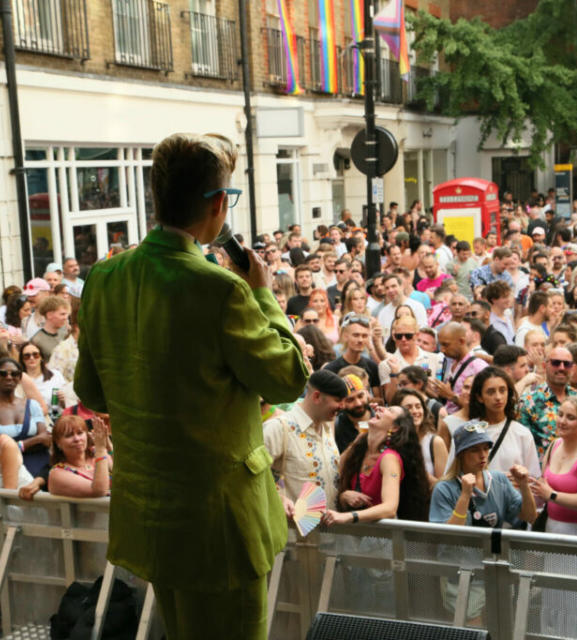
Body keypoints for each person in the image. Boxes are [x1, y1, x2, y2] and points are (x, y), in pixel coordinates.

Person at [74, 133, 308, 639]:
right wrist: (264, 294)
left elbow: (92, 393)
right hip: (222, 525)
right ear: (219, 203)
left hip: (152, 519)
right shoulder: (220, 287)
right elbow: (290, 377)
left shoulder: (105, 277)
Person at [323, 405, 430, 525]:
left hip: (380, 537)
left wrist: (349, 516)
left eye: (389, 410)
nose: (379, 409)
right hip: (355, 536)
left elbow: (390, 508)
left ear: (395, 427)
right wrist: (344, 497)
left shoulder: (389, 458)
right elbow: (333, 473)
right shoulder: (359, 449)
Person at [264, 370, 347, 511]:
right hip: (290, 530)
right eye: (338, 400)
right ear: (316, 396)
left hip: (328, 530)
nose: (343, 406)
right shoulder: (278, 428)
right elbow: (251, 477)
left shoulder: (327, 426)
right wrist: (278, 498)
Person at [430, 420, 536, 528]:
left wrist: (524, 486)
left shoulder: (498, 480)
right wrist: (465, 496)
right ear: (461, 454)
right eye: (474, 450)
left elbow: (530, 517)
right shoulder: (443, 489)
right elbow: (446, 535)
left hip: (492, 545)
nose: (482, 455)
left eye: (486, 448)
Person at [529, 397, 577, 536]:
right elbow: (543, 487)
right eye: (560, 414)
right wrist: (525, 483)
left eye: (570, 417)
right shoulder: (554, 445)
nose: (562, 421)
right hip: (551, 525)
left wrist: (552, 495)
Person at [461, 367, 540, 477]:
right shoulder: (467, 431)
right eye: (490, 392)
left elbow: (533, 476)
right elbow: (454, 475)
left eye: (502, 390)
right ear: (480, 397)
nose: (498, 397)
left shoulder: (522, 433)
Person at [520, 346, 577, 458]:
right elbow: (522, 446)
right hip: (543, 471)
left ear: (572, 368)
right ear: (545, 366)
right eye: (556, 363)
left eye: (567, 364)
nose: (561, 367)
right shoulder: (528, 402)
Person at [393, 388, 447, 486]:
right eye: (408, 408)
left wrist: (418, 467)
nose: (415, 411)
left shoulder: (435, 442)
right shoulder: (392, 441)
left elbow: (444, 489)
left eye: (418, 406)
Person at [47, 414, 112, 498]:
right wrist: (100, 449)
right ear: (58, 443)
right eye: (69, 435)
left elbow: (124, 475)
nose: (77, 439)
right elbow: (99, 491)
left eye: (80, 433)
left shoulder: (96, 455)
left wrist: (109, 447)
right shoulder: (57, 474)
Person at [20, 342, 64, 408]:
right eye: (27, 356)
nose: (32, 358)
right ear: (22, 360)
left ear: (41, 357)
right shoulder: (19, 380)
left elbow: (66, 406)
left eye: (35, 355)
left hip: (54, 416)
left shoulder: (56, 375)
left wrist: (63, 400)